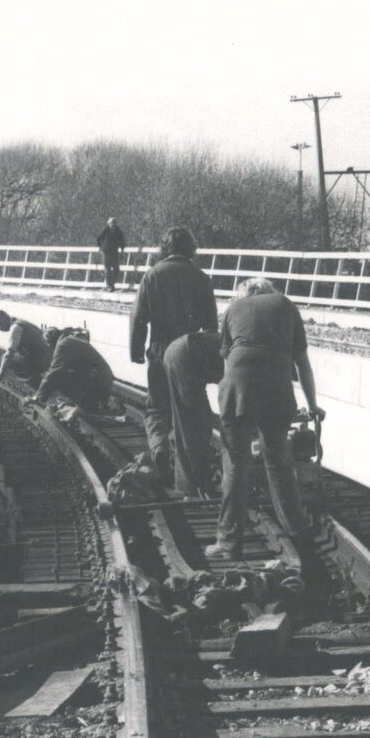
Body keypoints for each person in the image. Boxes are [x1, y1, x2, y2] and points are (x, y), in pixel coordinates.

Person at [208, 276, 322, 559]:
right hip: (275, 385)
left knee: (235, 463)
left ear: (245, 293)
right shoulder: (285, 304)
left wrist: (229, 401)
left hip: (238, 386)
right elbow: (302, 363)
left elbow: (227, 363)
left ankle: (228, 542)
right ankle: (297, 532)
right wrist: (313, 405)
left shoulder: (234, 309)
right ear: (269, 291)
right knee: (279, 461)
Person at [128, 226, 218, 495]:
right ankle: (194, 472)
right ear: (191, 248)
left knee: (157, 409)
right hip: (190, 356)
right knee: (192, 414)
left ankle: (160, 449)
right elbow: (211, 324)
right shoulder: (200, 277)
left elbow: (138, 317)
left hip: (159, 352)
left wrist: (135, 350)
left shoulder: (152, 275)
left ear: (165, 248)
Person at [157, 331, 225, 498]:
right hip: (186, 357)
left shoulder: (247, 349)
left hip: (180, 353)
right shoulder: (248, 359)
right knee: (195, 427)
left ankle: (190, 484)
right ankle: (196, 486)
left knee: (191, 424)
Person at [35, 329, 119, 414]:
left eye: (48, 343)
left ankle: (84, 404)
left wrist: (38, 397)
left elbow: (55, 371)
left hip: (98, 381)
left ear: (51, 341)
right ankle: (84, 403)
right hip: (101, 378)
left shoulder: (63, 345)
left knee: (60, 378)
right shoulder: (69, 339)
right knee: (64, 375)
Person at [0, 310, 53, 388]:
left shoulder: (15, 328)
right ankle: (35, 375)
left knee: (8, 361)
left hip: (44, 360)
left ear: (5, 317)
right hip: (48, 356)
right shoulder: (20, 322)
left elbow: (9, 354)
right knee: (16, 355)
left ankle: (33, 381)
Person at [96, 216, 127, 292]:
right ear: (108, 224)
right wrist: (100, 246)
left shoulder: (118, 230)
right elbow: (99, 238)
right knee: (108, 269)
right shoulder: (105, 230)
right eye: (111, 223)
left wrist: (122, 248)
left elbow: (122, 239)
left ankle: (112, 284)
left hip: (114, 251)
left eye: (114, 223)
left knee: (116, 269)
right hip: (106, 251)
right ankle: (110, 286)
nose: (113, 225)